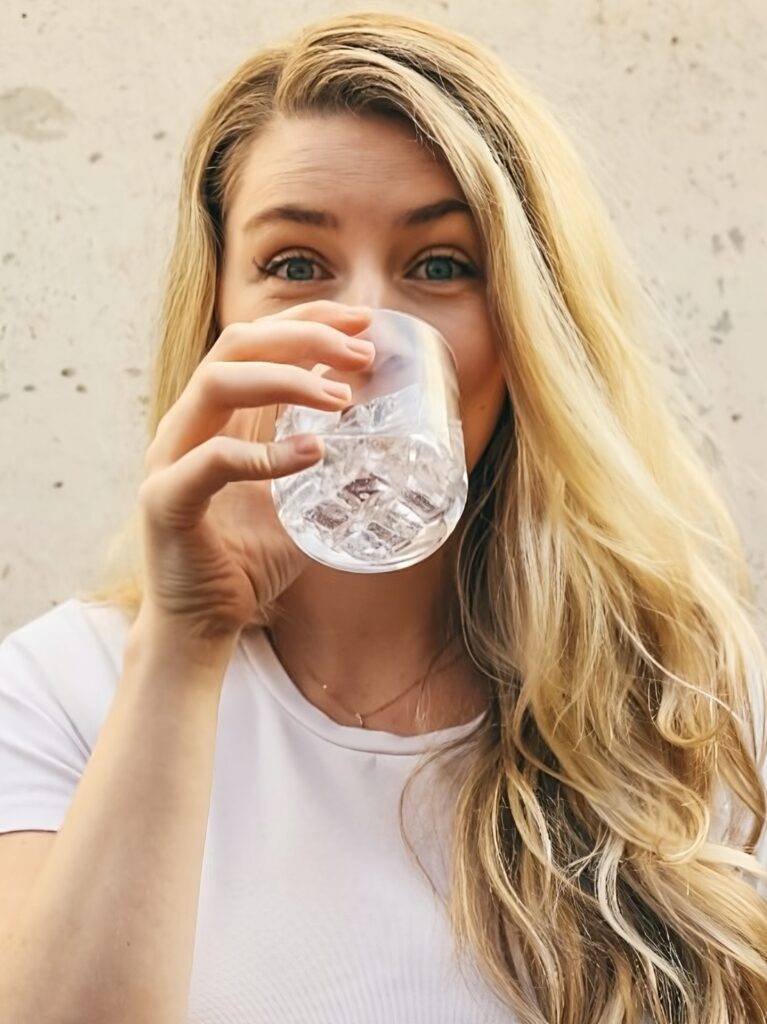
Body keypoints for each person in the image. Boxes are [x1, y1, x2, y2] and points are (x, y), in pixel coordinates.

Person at [1, 10, 766, 1023]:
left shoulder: (685, 696)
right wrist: (186, 643)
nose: (362, 335)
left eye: (440, 265)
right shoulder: (64, 691)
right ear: (218, 317)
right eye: (295, 266)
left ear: (524, 328)